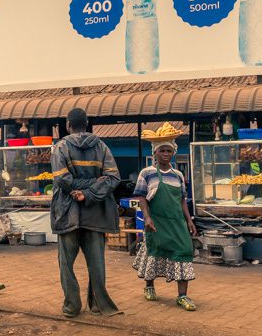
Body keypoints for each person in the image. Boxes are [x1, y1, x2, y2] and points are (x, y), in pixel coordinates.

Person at [50, 108, 122, 317]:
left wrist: (80, 190)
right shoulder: (102, 146)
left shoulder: (60, 147)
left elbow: (61, 179)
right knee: (96, 263)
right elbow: (113, 178)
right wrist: (91, 189)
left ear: (68, 125)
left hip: (67, 212)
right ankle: (98, 305)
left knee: (66, 264)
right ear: (87, 123)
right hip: (95, 212)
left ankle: (72, 306)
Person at [132, 140, 198, 310]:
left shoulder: (178, 175)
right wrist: (147, 217)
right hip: (156, 221)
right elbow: (141, 197)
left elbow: (182, 199)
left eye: (169, 151)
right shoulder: (147, 173)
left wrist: (189, 220)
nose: (166, 154)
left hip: (177, 222)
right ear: (155, 152)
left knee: (184, 251)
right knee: (153, 251)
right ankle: (149, 286)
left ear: (173, 152)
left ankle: (182, 296)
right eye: (162, 151)